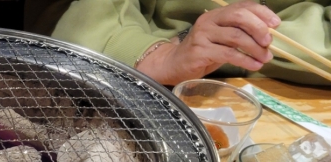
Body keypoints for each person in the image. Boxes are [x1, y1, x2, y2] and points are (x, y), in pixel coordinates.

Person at [48, 0, 331, 86]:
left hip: (286, 87)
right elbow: (86, 23)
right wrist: (158, 55)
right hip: (140, 82)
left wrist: (239, 37)